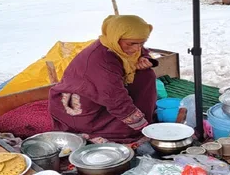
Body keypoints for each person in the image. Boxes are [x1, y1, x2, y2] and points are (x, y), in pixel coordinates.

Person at [49, 15, 158, 144]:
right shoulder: (102, 60)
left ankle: (139, 119)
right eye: (131, 44)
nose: (136, 49)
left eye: (141, 43)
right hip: (80, 104)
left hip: (104, 93)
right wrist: (143, 127)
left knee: (145, 75)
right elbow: (115, 99)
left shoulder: (120, 46)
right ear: (115, 37)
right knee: (126, 129)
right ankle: (131, 126)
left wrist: (145, 58)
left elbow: (141, 51)